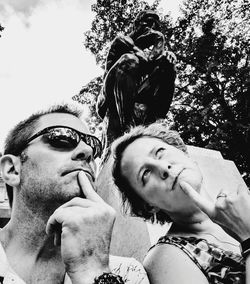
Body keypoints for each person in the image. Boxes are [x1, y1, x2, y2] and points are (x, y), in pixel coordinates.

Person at [0, 103, 149, 284]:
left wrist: (94, 271)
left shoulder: (127, 274)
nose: (87, 151)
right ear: (12, 170)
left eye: (94, 146)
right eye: (62, 138)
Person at [111, 120, 246, 284]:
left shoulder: (244, 207)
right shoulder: (166, 258)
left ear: (185, 154)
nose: (163, 167)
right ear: (148, 205)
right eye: (145, 174)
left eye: (160, 152)